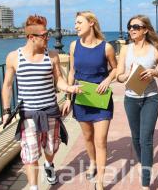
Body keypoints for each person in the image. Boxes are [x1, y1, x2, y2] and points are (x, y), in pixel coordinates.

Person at [2, 15, 81, 190]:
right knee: (30, 153)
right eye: (44, 35)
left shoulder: (52, 55)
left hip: (51, 111)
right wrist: (6, 110)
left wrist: (70, 89)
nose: (48, 38)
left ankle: (49, 165)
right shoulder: (14, 57)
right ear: (31, 37)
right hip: (28, 114)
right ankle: (34, 186)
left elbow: (59, 80)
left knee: (51, 148)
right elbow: (7, 85)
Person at [62, 11, 117, 190]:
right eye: (75, 23)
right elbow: (71, 73)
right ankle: (92, 162)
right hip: (81, 98)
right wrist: (68, 97)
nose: (76, 26)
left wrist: (107, 80)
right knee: (88, 137)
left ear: (91, 23)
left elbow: (115, 69)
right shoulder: (73, 46)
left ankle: (100, 181)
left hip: (101, 99)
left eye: (79, 22)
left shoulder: (106, 47)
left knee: (100, 140)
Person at [116, 15, 158, 189]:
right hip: (131, 99)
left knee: (146, 139)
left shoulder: (155, 49)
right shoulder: (125, 50)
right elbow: (119, 76)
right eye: (130, 26)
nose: (132, 29)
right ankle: (144, 161)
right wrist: (127, 75)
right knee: (136, 138)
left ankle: (145, 182)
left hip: (151, 98)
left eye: (136, 26)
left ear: (145, 30)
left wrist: (153, 72)